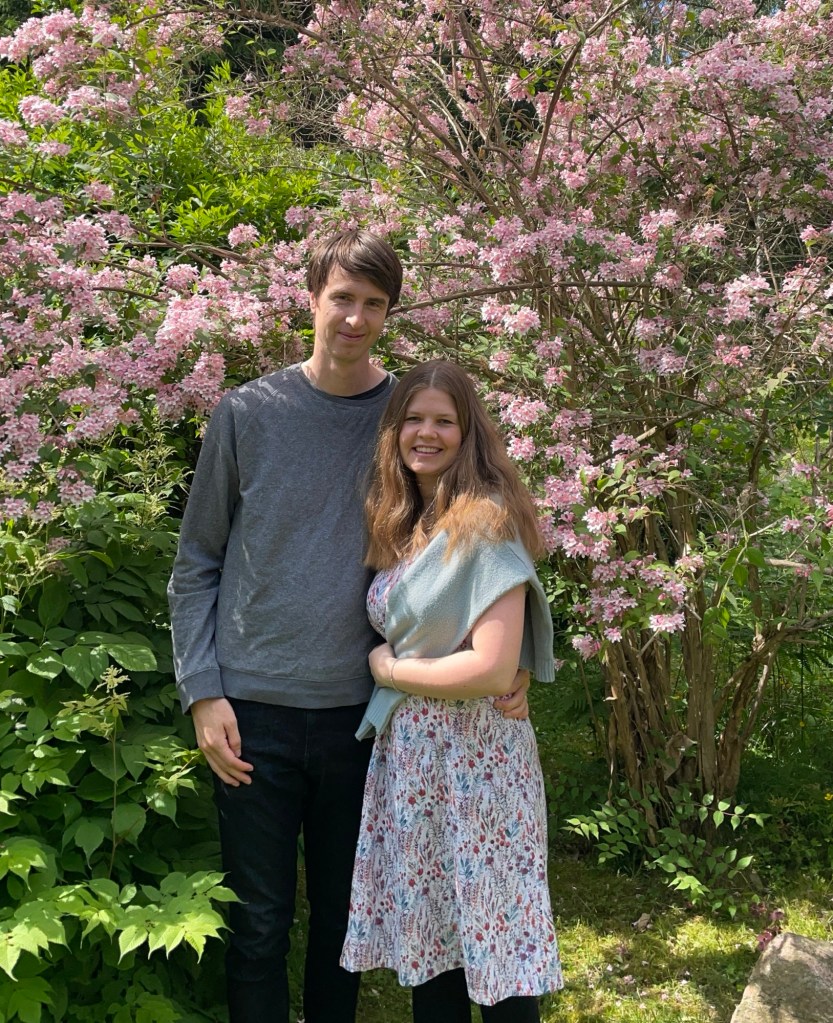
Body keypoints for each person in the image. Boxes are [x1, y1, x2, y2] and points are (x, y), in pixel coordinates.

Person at [167, 230, 529, 1023]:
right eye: (341, 298)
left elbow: (472, 538)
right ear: (311, 298)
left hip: (366, 719)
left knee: (344, 927)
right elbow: (197, 560)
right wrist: (203, 689)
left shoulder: (406, 415)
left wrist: (516, 657)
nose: (355, 318)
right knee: (257, 926)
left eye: (373, 303)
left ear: (389, 312)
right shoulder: (247, 413)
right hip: (251, 711)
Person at [340, 360, 564, 1022]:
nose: (426, 433)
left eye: (444, 420)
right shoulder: (405, 522)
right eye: (413, 418)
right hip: (414, 762)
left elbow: (491, 668)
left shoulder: (484, 521)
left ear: (468, 433)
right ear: (394, 431)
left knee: (499, 944)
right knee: (433, 942)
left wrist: (386, 671)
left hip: (477, 762)